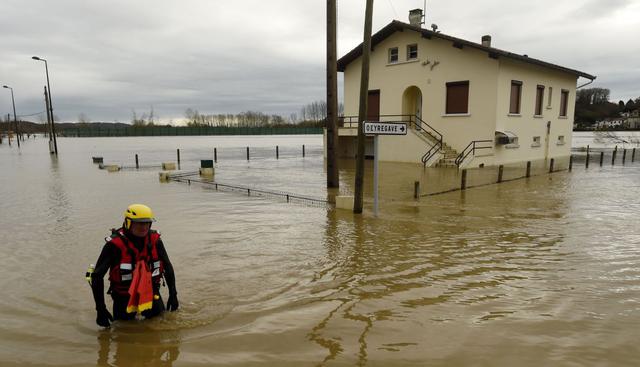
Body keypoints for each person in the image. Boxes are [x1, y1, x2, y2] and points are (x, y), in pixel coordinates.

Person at [90, 204, 179, 327]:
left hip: (151, 291)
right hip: (123, 296)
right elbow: (97, 277)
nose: (144, 227)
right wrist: (100, 309)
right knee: (122, 329)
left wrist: (173, 294)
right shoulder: (114, 245)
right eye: (139, 223)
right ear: (128, 222)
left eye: (147, 223)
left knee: (160, 324)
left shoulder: (155, 240)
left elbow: (168, 267)